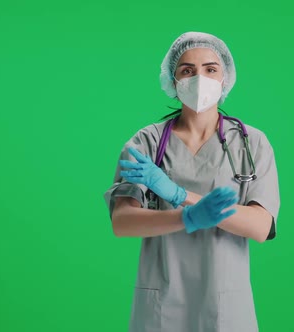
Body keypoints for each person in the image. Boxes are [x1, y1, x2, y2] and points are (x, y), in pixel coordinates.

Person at [103, 31, 280, 332]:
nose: (200, 79)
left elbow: (261, 227)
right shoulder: (147, 142)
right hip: (162, 302)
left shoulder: (252, 143)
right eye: (187, 70)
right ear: (172, 81)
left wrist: (183, 198)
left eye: (211, 69)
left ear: (225, 78)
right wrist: (186, 218)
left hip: (225, 305)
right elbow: (122, 222)